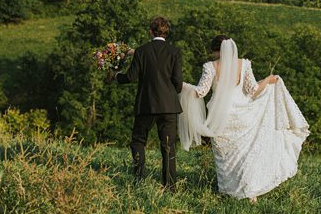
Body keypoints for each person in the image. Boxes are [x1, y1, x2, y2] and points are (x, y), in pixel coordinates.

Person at [179, 35, 309, 202]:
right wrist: (268, 80)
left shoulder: (210, 67)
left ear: (216, 51)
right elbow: (253, 90)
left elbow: (201, 92)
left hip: (221, 120)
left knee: (225, 156)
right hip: (244, 116)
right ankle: (250, 191)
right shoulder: (244, 64)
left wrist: (181, 85)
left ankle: (228, 192)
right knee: (245, 156)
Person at [116, 17, 183, 190]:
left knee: (138, 141)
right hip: (169, 105)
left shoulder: (141, 51)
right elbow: (178, 82)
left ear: (151, 31)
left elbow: (130, 77)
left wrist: (116, 75)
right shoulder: (175, 51)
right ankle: (170, 187)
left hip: (146, 104)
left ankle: (139, 180)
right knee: (168, 146)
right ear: (166, 32)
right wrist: (169, 93)